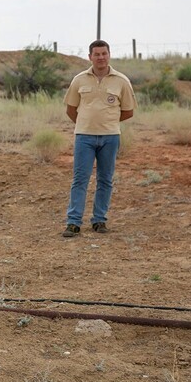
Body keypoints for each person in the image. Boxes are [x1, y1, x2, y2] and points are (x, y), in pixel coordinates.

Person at [62, 40, 136, 237]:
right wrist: (86, 124)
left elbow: (128, 111)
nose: (101, 57)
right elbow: (70, 109)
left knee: (105, 180)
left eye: (104, 53)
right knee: (80, 179)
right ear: (90, 57)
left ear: (109, 55)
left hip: (110, 137)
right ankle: (73, 222)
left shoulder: (121, 81)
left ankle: (99, 220)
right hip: (84, 137)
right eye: (97, 54)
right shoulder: (79, 80)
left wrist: (108, 122)